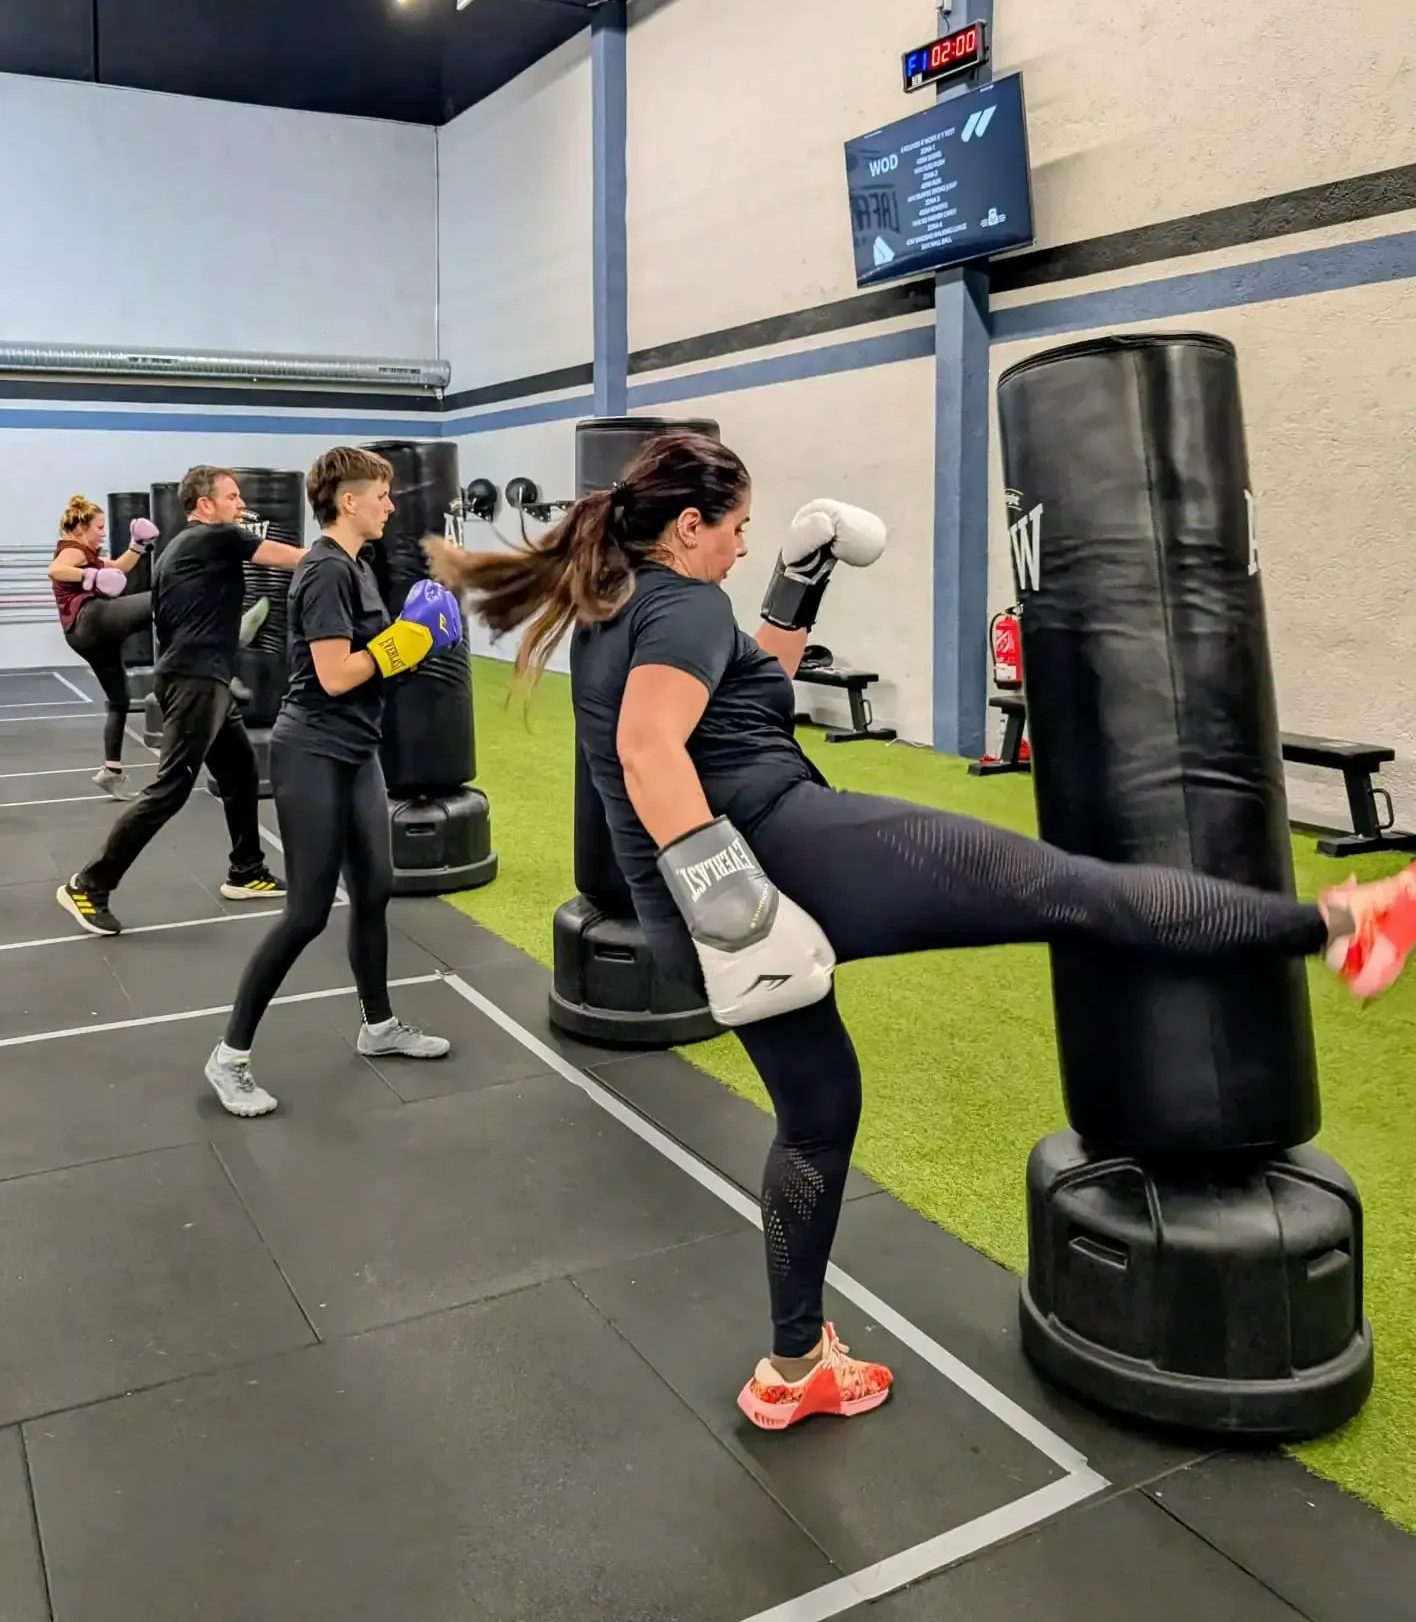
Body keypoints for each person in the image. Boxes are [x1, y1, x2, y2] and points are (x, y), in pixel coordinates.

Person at [427, 430, 1416, 1435]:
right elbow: (648, 748)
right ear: (688, 527)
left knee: (819, 1110)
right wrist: (737, 906)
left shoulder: (619, 605)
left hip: (702, 913)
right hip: (776, 861)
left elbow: (745, 694)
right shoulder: (682, 603)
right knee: (1070, 889)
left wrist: (794, 583)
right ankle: (1341, 921)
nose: (738, 545)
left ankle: (794, 1361)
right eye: (737, 530)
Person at [204, 446, 466, 1118]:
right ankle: (229, 1058)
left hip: (358, 750)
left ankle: (378, 1026)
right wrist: (402, 643)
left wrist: (413, 647)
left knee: (375, 890)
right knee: (308, 912)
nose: (390, 505)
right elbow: (335, 675)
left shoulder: (358, 567)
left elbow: (375, 666)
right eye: (380, 494)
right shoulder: (324, 569)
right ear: (348, 500)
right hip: (313, 752)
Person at [57, 465, 301, 936]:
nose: (239, 505)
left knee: (240, 768)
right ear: (204, 505)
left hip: (201, 679)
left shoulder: (177, 549)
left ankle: (246, 869)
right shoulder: (215, 537)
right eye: (231, 496)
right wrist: (345, 552)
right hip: (195, 682)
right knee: (169, 790)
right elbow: (294, 558)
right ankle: (89, 884)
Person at [48, 495, 160, 797]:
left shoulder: (88, 552)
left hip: (85, 637)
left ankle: (111, 770)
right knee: (161, 599)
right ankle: (225, 632)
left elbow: (120, 568)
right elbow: (56, 570)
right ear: (81, 527)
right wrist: (89, 576)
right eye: (99, 527)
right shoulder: (73, 550)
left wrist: (137, 544)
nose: (102, 533)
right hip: (91, 620)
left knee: (119, 700)